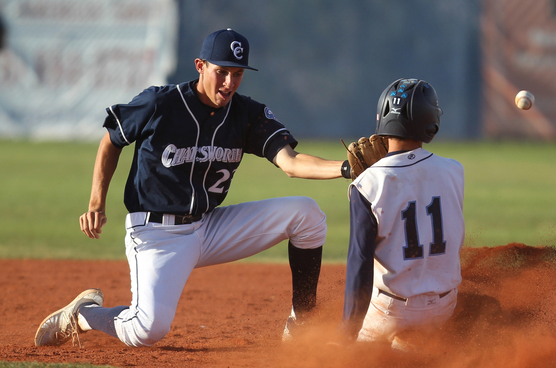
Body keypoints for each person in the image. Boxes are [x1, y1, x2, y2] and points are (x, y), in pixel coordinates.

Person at [34, 28, 346, 348]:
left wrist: (346, 167)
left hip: (209, 227)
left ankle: (303, 322)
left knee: (306, 213)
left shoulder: (246, 114)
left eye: (237, 74)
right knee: (147, 330)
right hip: (157, 233)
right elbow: (111, 141)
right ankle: (85, 314)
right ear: (200, 66)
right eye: (221, 72)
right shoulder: (160, 103)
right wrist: (96, 203)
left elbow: (291, 163)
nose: (229, 83)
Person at [337, 78, 465, 351]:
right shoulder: (455, 171)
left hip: (392, 311)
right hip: (445, 306)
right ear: (430, 121)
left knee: (356, 354)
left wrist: (347, 333)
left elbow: (359, 263)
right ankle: (422, 338)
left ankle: (396, 342)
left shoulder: (368, 183)